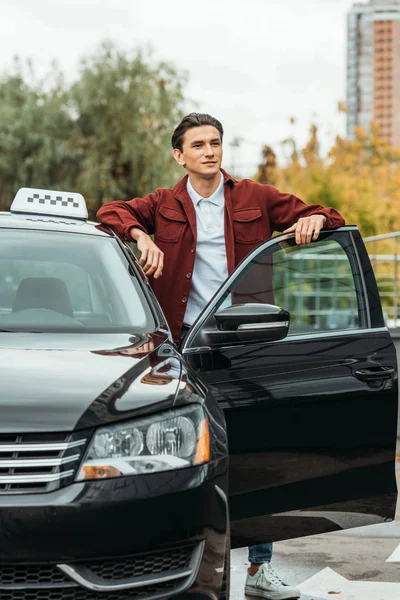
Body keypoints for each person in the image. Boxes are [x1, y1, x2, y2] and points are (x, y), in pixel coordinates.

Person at [97, 112, 345, 600]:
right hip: (183, 344)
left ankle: (259, 570)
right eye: (199, 145)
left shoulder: (254, 197)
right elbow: (109, 211)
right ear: (179, 155)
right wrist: (141, 234)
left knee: (258, 449)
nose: (209, 151)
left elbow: (324, 214)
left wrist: (316, 217)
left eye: (215, 143)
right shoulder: (163, 204)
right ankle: (171, 563)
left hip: (246, 341)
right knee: (181, 447)